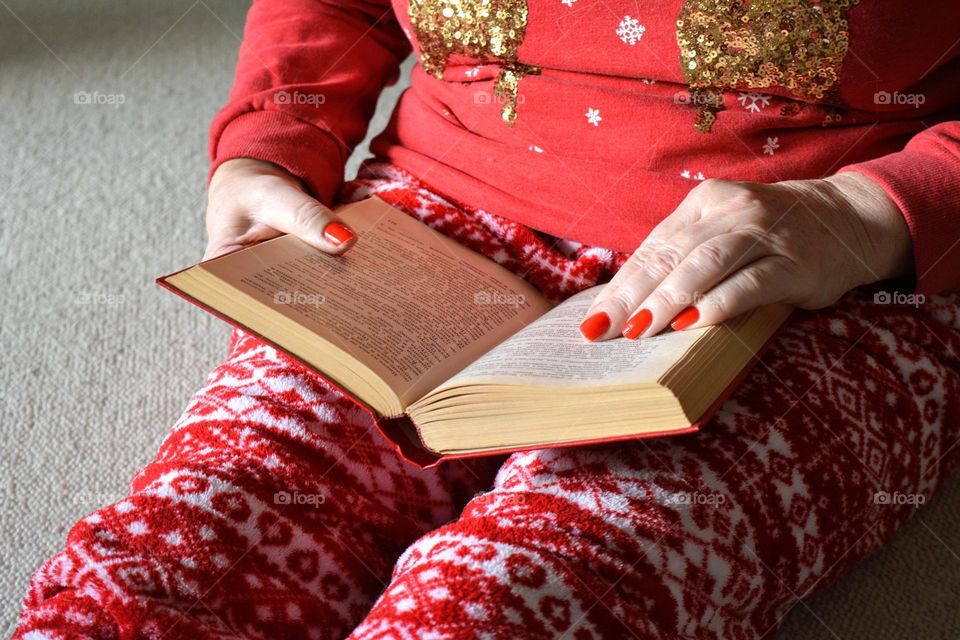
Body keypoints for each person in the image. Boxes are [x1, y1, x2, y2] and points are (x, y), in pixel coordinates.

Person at [15, 1, 960, 638]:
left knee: (529, 592)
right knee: (186, 546)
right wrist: (271, 139)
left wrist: (870, 213)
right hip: (424, 217)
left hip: (810, 267)